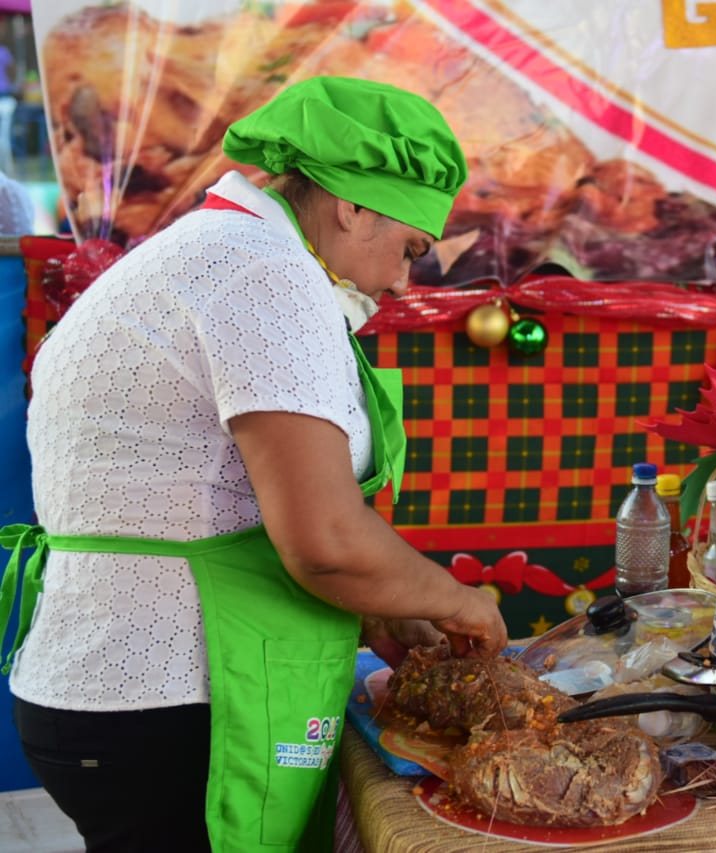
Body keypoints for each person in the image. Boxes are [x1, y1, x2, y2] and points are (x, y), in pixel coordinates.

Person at [1, 76, 508, 852]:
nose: (405, 280)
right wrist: (455, 600)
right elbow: (326, 540)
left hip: (103, 682)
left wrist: (387, 604)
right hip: (169, 696)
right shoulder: (265, 272)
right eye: (410, 246)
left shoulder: (212, 252)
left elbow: (199, 493)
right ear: (353, 205)